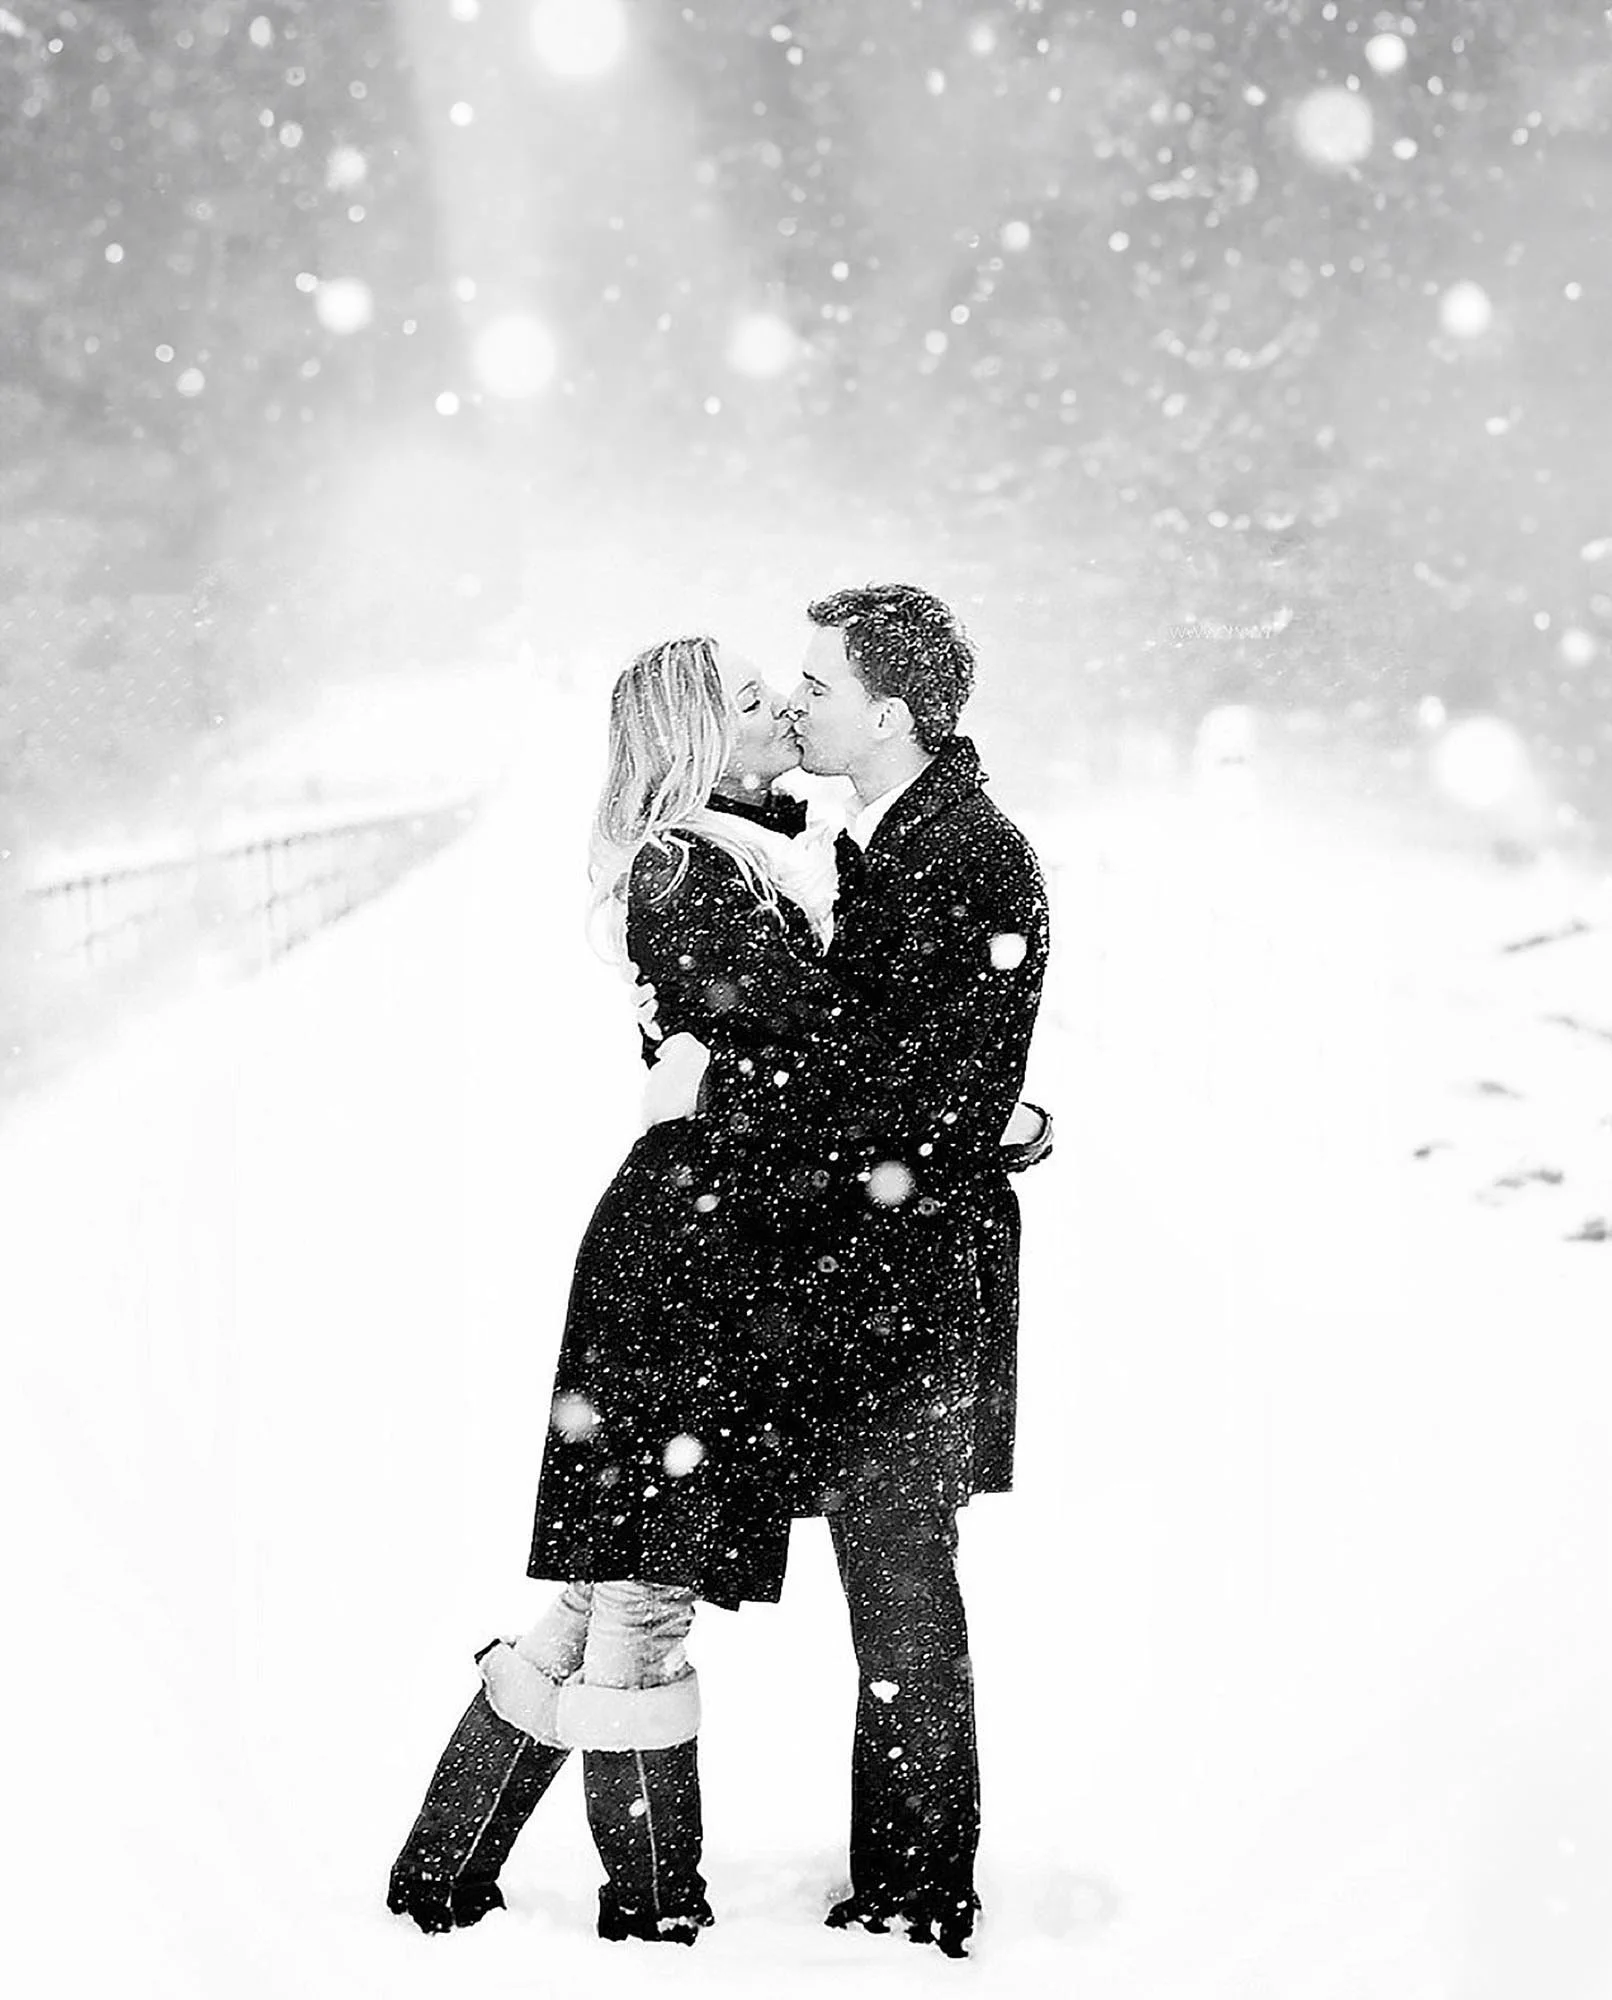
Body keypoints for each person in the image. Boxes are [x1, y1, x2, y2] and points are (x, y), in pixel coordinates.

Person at [387, 633, 1043, 1948]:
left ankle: (445, 1864)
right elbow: (802, 1066)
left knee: (603, 1580)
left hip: (713, 1257)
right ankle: (650, 1907)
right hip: (681, 1268)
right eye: (752, 699)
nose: (782, 708)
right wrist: (957, 1128)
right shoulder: (688, 871)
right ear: (699, 738)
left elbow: (814, 1056)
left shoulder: (759, 852)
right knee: (642, 1587)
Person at [644, 584, 1050, 1958]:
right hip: (869, 1278)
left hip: (914, 1289)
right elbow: (899, 1076)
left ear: (887, 713)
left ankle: (919, 1887)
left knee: (901, 1581)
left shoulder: (971, 860)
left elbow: (917, 1092)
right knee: (886, 1581)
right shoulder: (884, 842)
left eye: (815, 685)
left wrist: (969, 1123)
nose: (799, 704)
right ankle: (904, 1869)